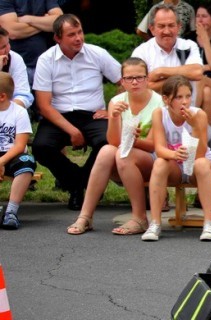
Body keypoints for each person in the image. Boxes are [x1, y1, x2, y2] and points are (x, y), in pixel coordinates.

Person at [32, 14, 121, 211]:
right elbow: (44, 106)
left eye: (80, 32)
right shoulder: (46, 60)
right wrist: (72, 131)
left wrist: (113, 108)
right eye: (71, 35)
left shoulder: (97, 53)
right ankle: (79, 184)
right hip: (59, 115)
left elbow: (124, 81)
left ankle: (81, 187)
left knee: (109, 142)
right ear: (57, 38)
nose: (78, 38)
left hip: (92, 115)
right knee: (41, 147)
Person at [66, 58, 162, 236]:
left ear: (147, 79)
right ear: (122, 81)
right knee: (105, 151)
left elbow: (152, 146)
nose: (134, 82)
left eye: (139, 77)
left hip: (153, 160)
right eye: (129, 78)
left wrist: (132, 139)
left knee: (123, 155)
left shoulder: (158, 103)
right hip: (124, 155)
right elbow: (113, 142)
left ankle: (140, 217)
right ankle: (85, 216)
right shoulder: (117, 102)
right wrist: (115, 118)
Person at [132, 3, 211, 169]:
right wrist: (180, 76)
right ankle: (154, 190)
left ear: (179, 27)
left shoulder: (189, 46)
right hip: (155, 120)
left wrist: (160, 72)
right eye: (161, 26)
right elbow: (143, 87)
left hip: (188, 115)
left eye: (171, 25)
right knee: (153, 153)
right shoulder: (141, 52)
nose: (167, 31)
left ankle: (202, 191)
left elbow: (196, 73)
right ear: (151, 28)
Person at [142, 76, 211, 242]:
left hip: (197, 164)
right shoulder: (159, 114)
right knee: (160, 163)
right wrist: (174, 155)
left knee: (203, 164)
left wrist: (196, 125)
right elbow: (160, 148)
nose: (185, 101)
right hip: (175, 165)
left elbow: (201, 153)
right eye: (179, 97)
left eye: (188, 96)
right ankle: (155, 223)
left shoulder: (199, 114)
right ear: (166, 99)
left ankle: (209, 223)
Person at [0, 72, 35, 230]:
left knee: (27, 163)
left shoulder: (19, 112)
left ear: (2, 97)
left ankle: (11, 212)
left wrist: (1, 161)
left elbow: (20, 145)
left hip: (12, 155)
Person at [0, 0, 62, 85]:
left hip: (46, 64)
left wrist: (28, 19)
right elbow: (12, 31)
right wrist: (46, 23)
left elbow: (60, 22)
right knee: (20, 96)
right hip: (18, 66)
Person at [0, 27, 33, 108]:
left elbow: (23, 95)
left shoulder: (14, 58)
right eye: (2, 47)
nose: (8, 49)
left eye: (8, 43)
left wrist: (9, 112)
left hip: (10, 111)